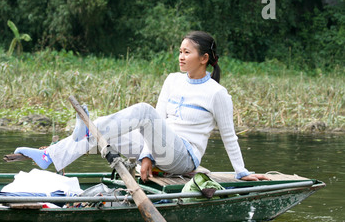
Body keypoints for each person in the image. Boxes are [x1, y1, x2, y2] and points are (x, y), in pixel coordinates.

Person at [14, 31, 269, 182]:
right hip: (159, 149)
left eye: (187, 52)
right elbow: (157, 123)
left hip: (183, 158)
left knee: (144, 112)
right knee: (115, 132)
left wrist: (241, 172)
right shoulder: (173, 80)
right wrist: (147, 155)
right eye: (180, 51)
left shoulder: (217, 93)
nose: (181, 56)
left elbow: (229, 136)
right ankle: (52, 156)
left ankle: (89, 127)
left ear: (204, 59)